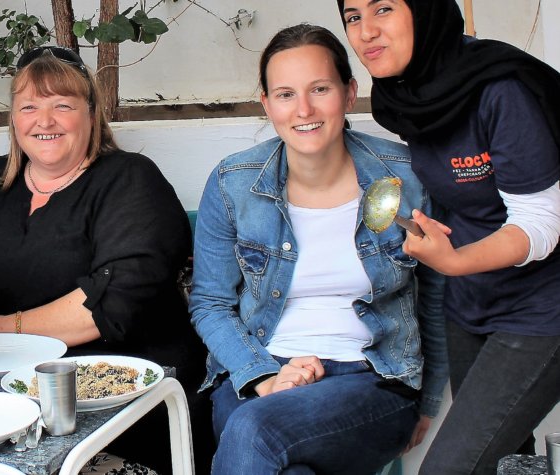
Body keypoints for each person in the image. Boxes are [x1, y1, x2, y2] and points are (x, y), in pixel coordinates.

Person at [188, 24, 448, 474]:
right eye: (285, 94)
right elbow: (210, 303)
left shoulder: (407, 177)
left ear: (349, 93)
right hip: (258, 368)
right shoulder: (233, 182)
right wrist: (265, 377)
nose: (304, 109)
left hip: (372, 380)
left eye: (320, 89)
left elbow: (438, 297)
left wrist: (428, 401)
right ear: (267, 104)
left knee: (252, 431)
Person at [0, 45, 211, 474]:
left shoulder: (131, 178)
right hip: (17, 402)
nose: (44, 121)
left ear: (91, 115)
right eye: (29, 107)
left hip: (125, 403)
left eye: (63, 105)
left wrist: (2, 330)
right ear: (14, 119)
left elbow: (114, 305)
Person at [339, 1, 560, 472]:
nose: (366, 31)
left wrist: (454, 261)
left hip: (542, 308)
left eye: (383, 8)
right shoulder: (408, 94)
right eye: (353, 15)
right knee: (507, 465)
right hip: (470, 306)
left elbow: (541, 223)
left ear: (425, 10)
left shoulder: (498, 89)